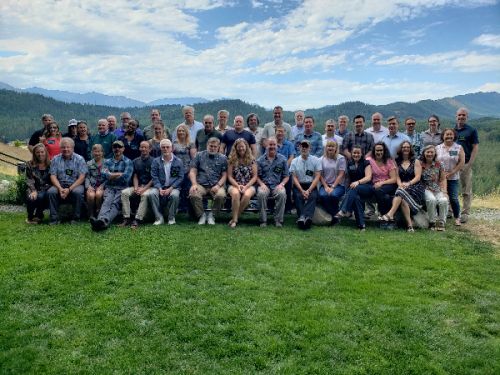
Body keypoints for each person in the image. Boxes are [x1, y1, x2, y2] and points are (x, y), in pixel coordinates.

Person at [379, 141, 424, 232]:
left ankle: (390, 214)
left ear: (410, 148)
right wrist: (400, 184)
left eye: (407, 147)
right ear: (401, 149)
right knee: (402, 197)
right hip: (402, 186)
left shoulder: (416, 161)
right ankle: (410, 226)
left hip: (415, 186)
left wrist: (408, 183)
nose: (405, 149)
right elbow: (397, 177)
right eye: (403, 147)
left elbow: (418, 177)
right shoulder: (396, 161)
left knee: (399, 192)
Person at [90, 140, 133, 231]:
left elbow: (126, 178)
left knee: (115, 204)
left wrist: (111, 175)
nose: (117, 149)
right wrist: (119, 174)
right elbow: (104, 175)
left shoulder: (128, 161)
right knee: (106, 203)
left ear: (123, 149)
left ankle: (102, 221)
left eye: (119, 147)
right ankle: (101, 222)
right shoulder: (108, 161)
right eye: (115, 147)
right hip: (109, 187)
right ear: (112, 149)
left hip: (122, 188)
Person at [47, 138, 87, 224]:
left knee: (78, 192)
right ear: (60, 148)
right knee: (51, 192)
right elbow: (53, 176)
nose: (65, 149)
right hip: (59, 184)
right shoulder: (55, 159)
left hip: (75, 184)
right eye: (63, 147)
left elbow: (82, 177)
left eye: (68, 147)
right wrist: (60, 188)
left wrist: (69, 189)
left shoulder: (80, 159)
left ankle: (76, 218)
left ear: (73, 148)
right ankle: (54, 218)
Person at [189, 137, 227, 225]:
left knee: (221, 195)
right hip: (201, 184)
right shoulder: (199, 155)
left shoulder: (223, 158)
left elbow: (224, 175)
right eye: (211, 146)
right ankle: (201, 215)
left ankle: (212, 215)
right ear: (207, 145)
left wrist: (218, 185)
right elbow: (193, 171)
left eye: (215, 146)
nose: (213, 148)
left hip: (216, 185)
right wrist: (194, 184)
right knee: (193, 192)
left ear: (218, 147)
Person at [336, 146, 372, 231]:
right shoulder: (349, 163)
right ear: (351, 154)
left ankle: (343, 210)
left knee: (354, 188)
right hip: (353, 189)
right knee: (356, 198)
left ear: (362, 153)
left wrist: (358, 182)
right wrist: (346, 189)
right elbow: (347, 178)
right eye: (354, 153)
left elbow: (368, 177)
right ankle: (361, 225)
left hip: (366, 187)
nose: (356, 154)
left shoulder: (366, 162)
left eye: (358, 153)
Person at [119, 141, 154, 228]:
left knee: (145, 195)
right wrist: (135, 188)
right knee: (124, 193)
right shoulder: (135, 161)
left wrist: (144, 189)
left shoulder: (154, 161)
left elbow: (154, 179)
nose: (143, 149)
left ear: (150, 149)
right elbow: (135, 176)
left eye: (146, 147)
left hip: (149, 187)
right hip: (137, 185)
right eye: (142, 147)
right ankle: (126, 218)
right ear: (139, 148)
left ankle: (137, 219)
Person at [150, 139, 185, 225]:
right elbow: (154, 176)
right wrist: (159, 188)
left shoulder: (178, 161)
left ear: (171, 148)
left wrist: (171, 188)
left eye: (167, 147)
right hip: (160, 186)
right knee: (152, 194)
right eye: (163, 147)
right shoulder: (156, 161)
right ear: (160, 149)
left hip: (173, 187)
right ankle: (158, 218)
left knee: (175, 195)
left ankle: (171, 218)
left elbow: (180, 177)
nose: (165, 149)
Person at [256, 137, 289, 227]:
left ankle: (278, 220)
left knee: (282, 193)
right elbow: (257, 176)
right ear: (266, 146)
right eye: (270, 144)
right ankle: (263, 220)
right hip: (264, 185)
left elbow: (286, 176)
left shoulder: (283, 159)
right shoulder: (260, 160)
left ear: (277, 146)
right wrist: (262, 184)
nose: (272, 146)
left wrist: (282, 184)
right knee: (261, 194)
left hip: (277, 185)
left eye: (274, 145)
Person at [290, 140, 322, 230]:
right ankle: (307, 218)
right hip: (299, 185)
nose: (304, 148)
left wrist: (308, 190)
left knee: (313, 196)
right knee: (298, 196)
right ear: (299, 148)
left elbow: (317, 177)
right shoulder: (294, 161)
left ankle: (302, 217)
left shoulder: (316, 160)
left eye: (306, 146)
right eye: (302, 146)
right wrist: (301, 190)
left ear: (310, 148)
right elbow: (294, 177)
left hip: (311, 185)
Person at [454, 107, 479, 223]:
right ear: (456, 116)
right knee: (451, 188)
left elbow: (475, 148)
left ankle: (465, 213)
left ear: (467, 117)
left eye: (463, 115)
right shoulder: (452, 130)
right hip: (453, 164)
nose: (461, 117)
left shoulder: (471, 130)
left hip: (465, 164)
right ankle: (450, 211)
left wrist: (469, 164)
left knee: (466, 190)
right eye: (459, 115)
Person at [436, 128, 465, 226]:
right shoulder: (438, 148)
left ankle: (457, 217)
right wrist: (440, 173)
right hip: (440, 177)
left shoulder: (458, 148)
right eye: (446, 134)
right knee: (440, 197)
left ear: (454, 136)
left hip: (453, 177)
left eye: (451, 134)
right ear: (443, 136)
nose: (448, 136)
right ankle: (440, 217)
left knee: (453, 198)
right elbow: (435, 162)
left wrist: (452, 172)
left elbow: (462, 162)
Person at [227, 139, 257, 228]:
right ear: (235, 148)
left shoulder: (252, 159)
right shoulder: (231, 159)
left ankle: (235, 219)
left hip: (249, 185)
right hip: (234, 184)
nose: (241, 148)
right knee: (235, 194)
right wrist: (237, 185)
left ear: (246, 147)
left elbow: (255, 176)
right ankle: (235, 219)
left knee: (247, 195)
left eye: (242, 146)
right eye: (239, 147)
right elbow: (229, 176)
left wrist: (246, 186)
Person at [420, 145, 448, 231]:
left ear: (435, 153)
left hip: (437, 188)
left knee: (444, 200)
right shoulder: (420, 164)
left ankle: (441, 222)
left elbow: (443, 179)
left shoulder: (439, 164)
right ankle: (432, 222)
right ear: (424, 153)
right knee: (431, 200)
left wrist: (444, 192)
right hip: (426, 188)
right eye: (427, 152)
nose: (429, 154)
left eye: (432, 152)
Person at [318, 140, 346, 222]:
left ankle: (334, 216)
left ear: (336, 148)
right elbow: (320, 175)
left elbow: (341, 174)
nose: (330, 148)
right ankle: (333, 215)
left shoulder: (341, 158)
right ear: (326, 148)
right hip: (325, 185)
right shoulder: (321, 159)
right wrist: (326, 187)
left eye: (332, 146)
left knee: (333, 195)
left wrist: (333, 187)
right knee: (323, 195)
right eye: (328, 146)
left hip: (338, 185)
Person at [368, 142, 397, 217]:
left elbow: (394, 179)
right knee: (386, 197)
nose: (379, 152)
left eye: (381, 150)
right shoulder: (370, 160)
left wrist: (381, 183)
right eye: (377, 150)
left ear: (384, 151)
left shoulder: (389, 161)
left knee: (379, 190)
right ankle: (386, 215)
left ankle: (382, 213)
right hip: (374, 184)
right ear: (374, 151)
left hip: (388, 184)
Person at [25, 143, 51, 223]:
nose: (40, 154)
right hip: (33, 187)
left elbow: (52, 179)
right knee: (31, 197)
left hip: (46, 188)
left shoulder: (51, 164)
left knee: (41, 196)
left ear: (45, 153)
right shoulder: (29, 164)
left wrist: (43, 189)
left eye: (42, 152)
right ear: (34, 154)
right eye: (37, 152)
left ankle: (38, 215)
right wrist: (33, 190)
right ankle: (30, 216)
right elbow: (29, 179)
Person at [174, 124, 197, 212]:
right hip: (176, 169)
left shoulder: (191, 143)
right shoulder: (174, 143)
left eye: (182, 131)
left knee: (187, 188)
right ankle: (178, 206)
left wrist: (191, 170)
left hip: (187, 168)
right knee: (177, 187)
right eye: (179, 131)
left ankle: (187, 207)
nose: (181, 132)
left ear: (186, 132)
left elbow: (194, 158)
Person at [85, 144, 106, 218]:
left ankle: (99, 212)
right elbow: (87, 176)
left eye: (99, 151)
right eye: (95, 151)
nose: (97, 153)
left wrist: (102, 186)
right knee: (91, 195)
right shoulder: (89, 163)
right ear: (92, 152)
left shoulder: (107, 163)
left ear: (102, 152)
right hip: (92, 185)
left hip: (103, 185)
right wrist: (88, 186)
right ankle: (90, 214)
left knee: (99, 194)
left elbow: (108, 177)